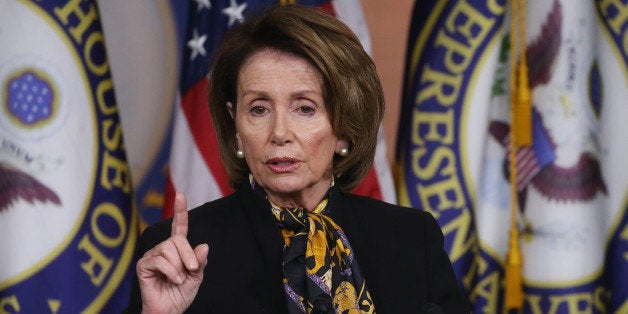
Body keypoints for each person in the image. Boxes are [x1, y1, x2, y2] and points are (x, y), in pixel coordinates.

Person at [125, 4, 469, 313]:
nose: (279, 133)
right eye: (258, 109)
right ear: (235, 126)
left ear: (345, 127)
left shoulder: (410, 238)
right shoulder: (177, 252)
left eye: (305, 108)